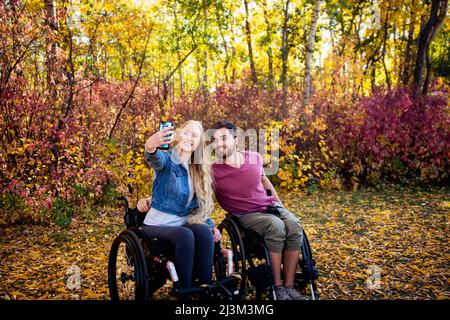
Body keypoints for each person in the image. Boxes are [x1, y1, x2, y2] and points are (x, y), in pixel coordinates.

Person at [210, 120, 307, 300]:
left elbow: (264, 181)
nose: (219, 143)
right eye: (215, 140)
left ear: (236, 140)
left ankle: (290, 286)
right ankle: (278, 287)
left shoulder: (254, 157)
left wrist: (280, 205)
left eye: (224, 138)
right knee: (276, 226)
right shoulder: (213, 170)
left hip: (269, 206)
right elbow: (200, 191)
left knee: (293, 224)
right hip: (245, 214)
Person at [138, 120, 221, 288]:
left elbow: (199, 208)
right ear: (179, 134)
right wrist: (151, 145)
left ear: (199, 142)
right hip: (156, 225)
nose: (189, 137)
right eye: (186, 132)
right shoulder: (168, 158)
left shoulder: (198, 169)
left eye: (195, 135)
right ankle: (184, 288)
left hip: (181, 224)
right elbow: (155, 159)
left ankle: (205, 287)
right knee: (185, 235)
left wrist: (211, 226)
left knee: (205, 232)